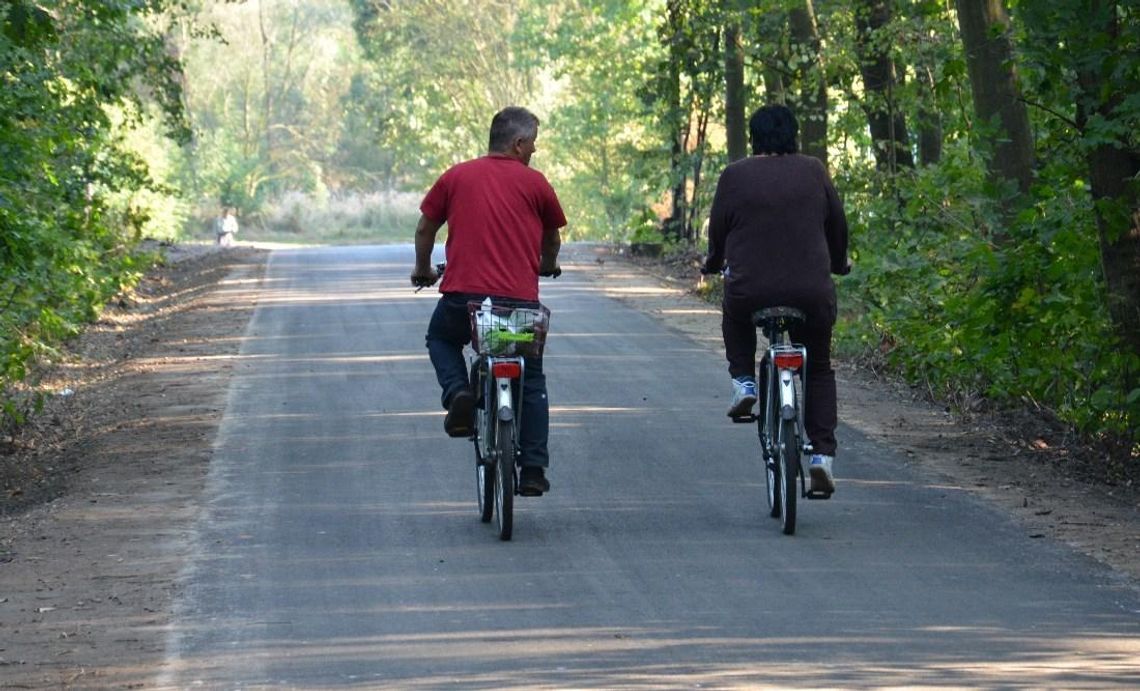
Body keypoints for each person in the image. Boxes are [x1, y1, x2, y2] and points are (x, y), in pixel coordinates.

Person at [410, 106, 567, 496]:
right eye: (532, 143)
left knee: (442, 339)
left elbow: (425, 227)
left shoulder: (456, 176)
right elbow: (551, 239)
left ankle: (458, 393)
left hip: (465, 301)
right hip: (519, 304)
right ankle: (532, 468)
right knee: (531, 378)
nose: (534, 150)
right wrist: (548, 264)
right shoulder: (536, 183)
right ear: (518, 144)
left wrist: (423, 269)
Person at [701, 104, 850, 494]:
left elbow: (718, 231)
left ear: (754, 138)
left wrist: (714, 263)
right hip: (811, 291)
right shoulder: (814, 170)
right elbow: (837, 223)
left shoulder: (734, 175)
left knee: (734, 314)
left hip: (752, 290)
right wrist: (838, 263)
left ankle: (745, 383)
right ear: (794, 134)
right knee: (817, 368)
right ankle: (821, 456)